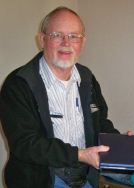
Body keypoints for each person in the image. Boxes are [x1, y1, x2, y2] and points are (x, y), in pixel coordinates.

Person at [0, 6, 120, 188]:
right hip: (41, 181)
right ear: (42, 39)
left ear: (83, 42)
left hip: (86, 178)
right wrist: (79, 155)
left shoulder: (87, 78)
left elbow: (100, 122)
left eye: (74, 36)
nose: (66, 42)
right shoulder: (18, 84)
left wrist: (121, 143)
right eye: (57, 35)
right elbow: (25, 144)